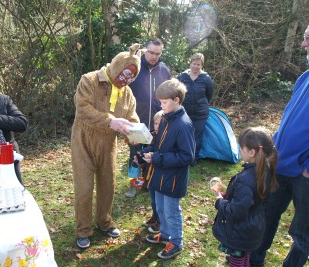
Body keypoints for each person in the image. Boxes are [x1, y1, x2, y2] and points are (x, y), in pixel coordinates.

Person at [249, 25, 309, 267]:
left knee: (303, 230)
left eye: (308, 39)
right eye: (305, 38)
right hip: (281, 164)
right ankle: (256, 256)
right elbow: (288, 119)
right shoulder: (304, 77)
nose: (304, 45)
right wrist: (271, 147)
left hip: (304, 173)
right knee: (268, 212)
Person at [71, 44, 142, 249]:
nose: (127, 79)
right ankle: (83, 230)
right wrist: (110, 121)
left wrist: (134, 135)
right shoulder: (89, 80)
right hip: (84, 140)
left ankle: (104, 221)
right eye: (126, 73)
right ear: (117, 66)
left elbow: (132, 117)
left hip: (109, 143)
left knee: (107, 185)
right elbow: (82, 108)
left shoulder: (127, 93)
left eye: (132, 76)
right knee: (84, 187)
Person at [212, 127, 277, 267]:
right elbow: (249, 200)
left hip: (241, 232)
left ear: (252, 152)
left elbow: (237, 211)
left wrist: (220, 202)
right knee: (244, 259)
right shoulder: (265, 168)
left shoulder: (246, 179)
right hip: (254, 228)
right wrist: (229, 194)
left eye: (242, 148)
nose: (240, 150)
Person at [144, 78, 195, 259]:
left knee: (171, 211)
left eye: (164, 102)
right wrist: (148, 152)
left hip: (173, 180)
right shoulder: (165, 118)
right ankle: (165, 235)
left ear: (176, 100)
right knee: (160, 207)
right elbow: (159, 143)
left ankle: (176, 242)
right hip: (160, 174)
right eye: (160, 102)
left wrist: (158, 158)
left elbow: (187, 156)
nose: (161, 105)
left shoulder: (183, 124)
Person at [125, 38, 171, 198]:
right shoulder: (134, 68)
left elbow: (170, 95)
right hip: (137, 122)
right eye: (151, 52)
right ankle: (134, 185)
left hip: (158, 123)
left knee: (154, 155)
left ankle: (149, 182)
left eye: (157, 54)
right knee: (135, 156)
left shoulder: (164, 70)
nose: (153, 56)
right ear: (145, 50)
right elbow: (124, 93)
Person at [177, 53, 213, 165]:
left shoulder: (206, 79)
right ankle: (182, 156)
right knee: (184, 135)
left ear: (202, 66)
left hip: (200, 114)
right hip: (184, 113)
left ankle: (193, 159)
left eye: (198, 64)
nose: (196, 66)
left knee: (196, 137)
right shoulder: (182, 77)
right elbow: (177, 93)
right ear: (190, 63)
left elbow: (209, 95)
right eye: (194, 63)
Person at [140, 110, 163, 234]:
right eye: (155, 123)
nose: (157, 126)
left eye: (160, 124)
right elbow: (152, 147)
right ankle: (155, 217)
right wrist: (142, 153)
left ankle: (160, 222)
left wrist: (153, 155)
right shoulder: (155, 136)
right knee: (153, 199)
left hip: (159, 175)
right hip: (151, 174)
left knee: (160, 202)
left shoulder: (166, 138)